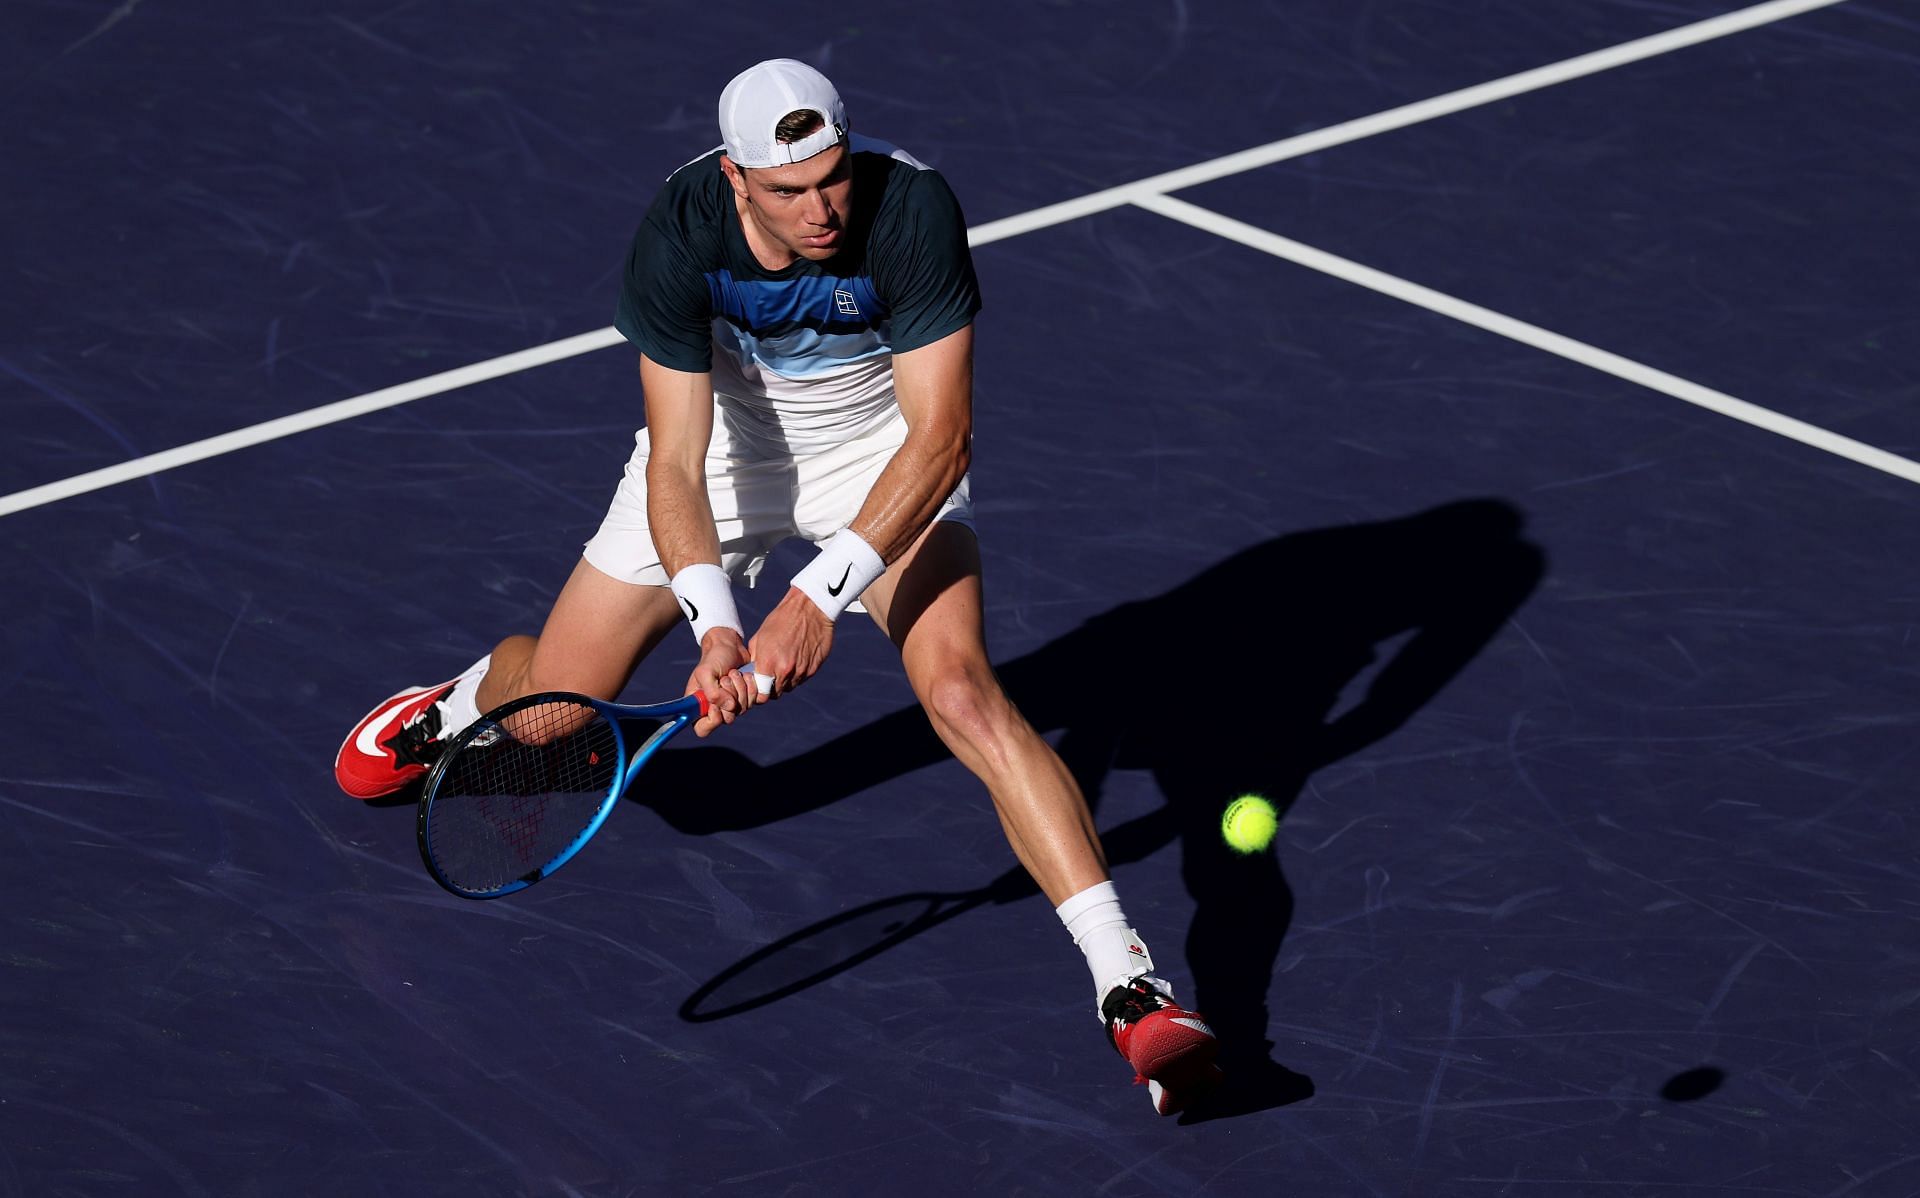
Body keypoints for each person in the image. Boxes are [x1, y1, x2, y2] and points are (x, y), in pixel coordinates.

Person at [331, 58, 1220, 1115]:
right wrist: (718, 625)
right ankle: (465, 702)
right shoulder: (681, 230)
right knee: (552, 726)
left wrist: (817, 596)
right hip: (721, 458)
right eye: (789, 190)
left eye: (833, 177)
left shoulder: (914, 209)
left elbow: (940, 439)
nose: (822, 208)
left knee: (961, 691)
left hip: (880, 458)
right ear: (735, 176)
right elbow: (674, 460)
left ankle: (1132, 990)